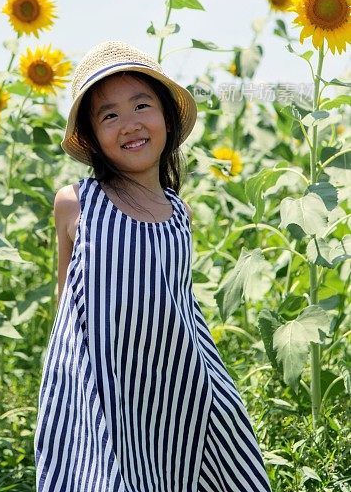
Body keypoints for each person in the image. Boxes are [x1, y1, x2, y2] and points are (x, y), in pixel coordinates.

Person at [34, 40, 272, 492]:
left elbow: (180, 306)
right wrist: (69, 380)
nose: (130, 124)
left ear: (166, 115)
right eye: (109, 115)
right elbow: (67, 297)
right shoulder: (78, 203)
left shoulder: (177, 213)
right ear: (91, 138)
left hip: (170, 387)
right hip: (101, 391)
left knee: (177, 471)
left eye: (142, 105)